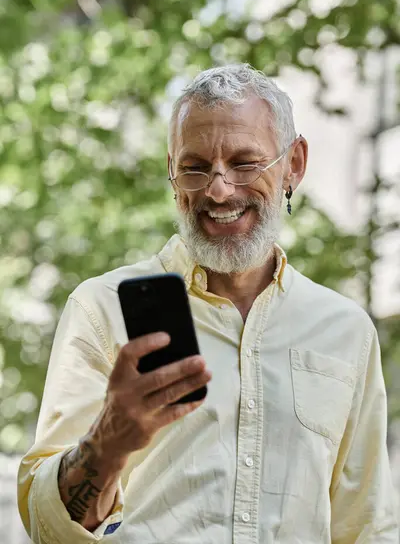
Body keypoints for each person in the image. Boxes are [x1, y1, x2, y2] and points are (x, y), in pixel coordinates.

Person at [18, 64, 399, 543]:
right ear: (172, 175)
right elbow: (44, 527)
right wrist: (108, 443)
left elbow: (365, 527)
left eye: (244, 163)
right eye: (195, 168)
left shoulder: (346, 331)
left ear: (293, 165)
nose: (219, 190)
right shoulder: (102, 310)